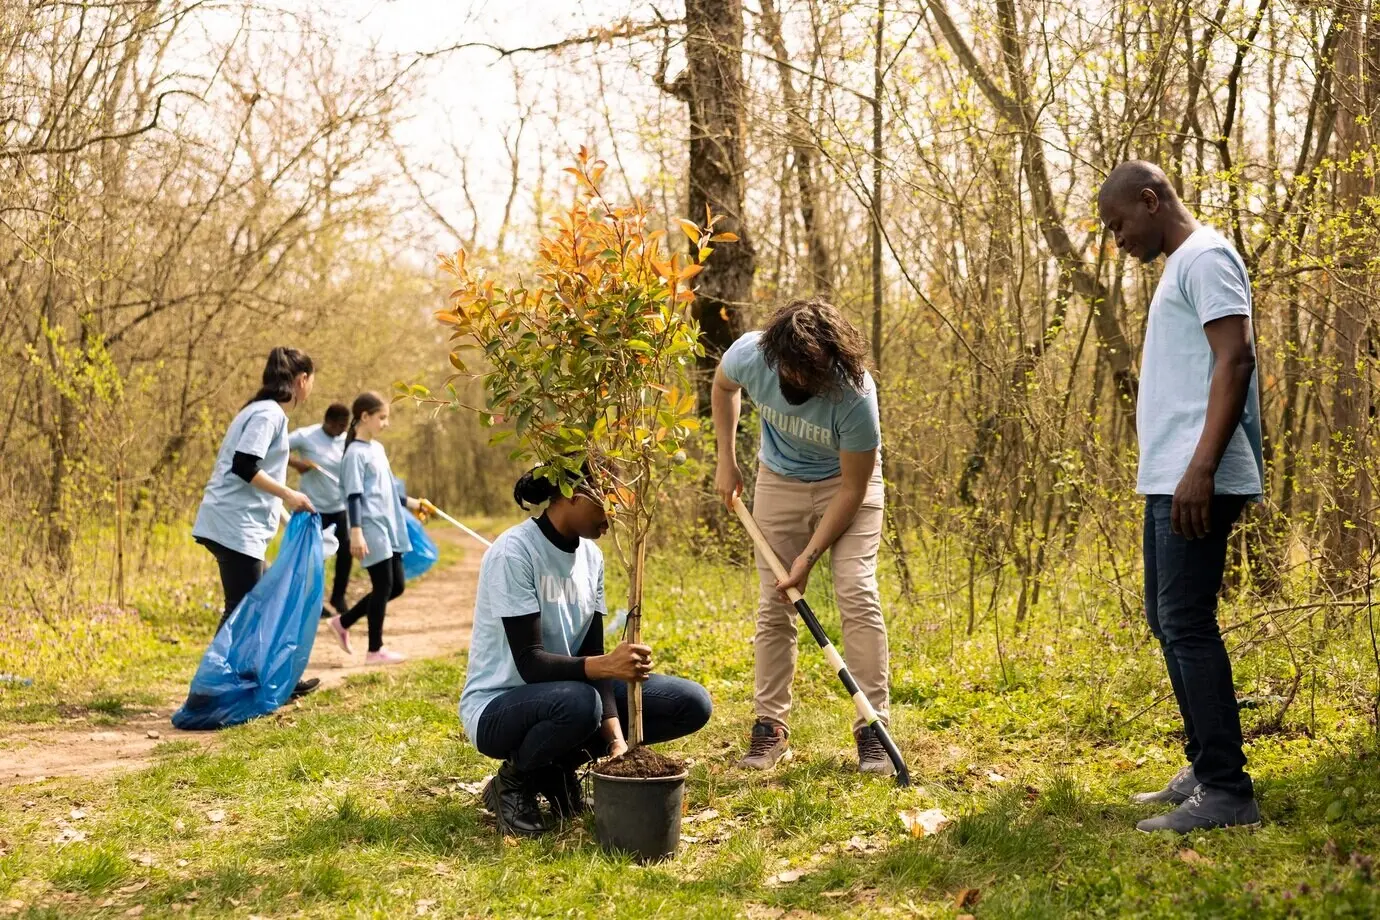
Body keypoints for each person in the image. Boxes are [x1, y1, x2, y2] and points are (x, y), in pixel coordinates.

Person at [1098, 160, 1264, 833]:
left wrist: (1201, 469)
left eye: (1118, 225)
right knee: (1165, 618)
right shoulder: (1181, 265)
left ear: (1149, 200)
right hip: (1170, 475)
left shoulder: (1206, 256)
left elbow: (1238, 357)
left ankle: (1229, 791)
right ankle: (1204, 767)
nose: (1117, 241)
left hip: (1196, 476)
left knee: (1187, 622)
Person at [459, 467, 712, 836]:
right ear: (572, 494)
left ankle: (557, 767)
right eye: (608, 504)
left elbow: (592, 654)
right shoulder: (514, 552)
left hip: (568, 694)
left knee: (690, 702)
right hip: (499, 705)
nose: (614, 517)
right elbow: (531, 663)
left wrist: (617, 743)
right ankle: (513, 783)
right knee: (579, 702)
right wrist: (607, 664)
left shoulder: (592, 558)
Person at [711, 298, 892, 774]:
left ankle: (873, 727)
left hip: (847, 485)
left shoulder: (854, 394)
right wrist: (725, 459)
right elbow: (723, 385)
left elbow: (853, 488)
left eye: (804, 375)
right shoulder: (752, 353)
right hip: (778, 480)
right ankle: (770, 727)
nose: (792, 381)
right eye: (786, 370)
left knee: (856, 589)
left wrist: (808, 559)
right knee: (775, 602)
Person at [191, 346, 319, 697]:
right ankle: (209, 688)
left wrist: (287, 513)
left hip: (233, 522)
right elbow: (245, 466)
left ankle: (269, 681)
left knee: (253, 608)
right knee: (242, 611)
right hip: (232, 525)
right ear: (301, 380)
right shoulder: (269, 415)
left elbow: (256, 478)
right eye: (311, 382)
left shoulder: (259, 410)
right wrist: (290, 495)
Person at [326, 392, 427, 664]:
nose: (386, 423)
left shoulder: (377, 450)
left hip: (388, 524)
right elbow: (355, 496)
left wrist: (413, 503)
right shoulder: (354, 455)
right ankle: (374, 650)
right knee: (383, 585)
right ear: (364, 417)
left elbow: (386, 491)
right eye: (382, 418)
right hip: (369, 526)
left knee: (396, 586)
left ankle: (343, 622)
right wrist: (356, 531)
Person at [288, 403, 352, 617]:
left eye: (346, 425)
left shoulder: (345, 439)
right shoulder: (306, 436)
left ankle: (338, 596)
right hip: (314, 508)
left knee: (345, 553)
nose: (344, 430)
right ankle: (314, 602)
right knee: (316, 557)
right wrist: (297, 464)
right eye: (340, 426)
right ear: (328, 421)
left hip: (339, 506)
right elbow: (275, 448)